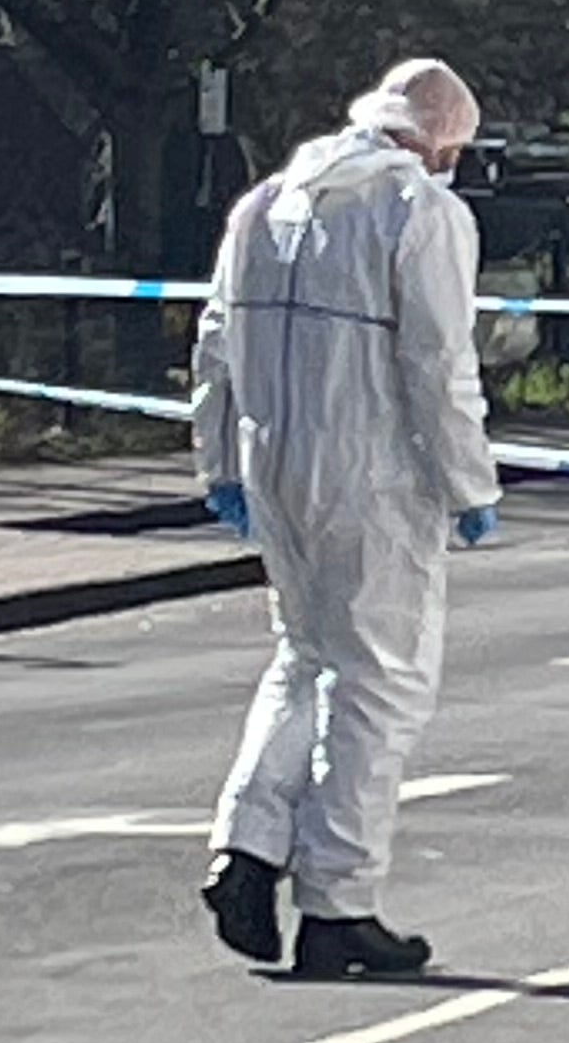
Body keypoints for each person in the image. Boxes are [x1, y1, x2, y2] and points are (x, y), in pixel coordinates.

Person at [193, 58, 504, 980]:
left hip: (273, 460)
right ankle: (340, 903)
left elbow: (214, 341)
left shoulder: (265, 205)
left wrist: (220, 463)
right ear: (444, 138)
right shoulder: (420, 211)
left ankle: (245, 851)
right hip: (373, 474)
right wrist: (469, 484)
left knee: (302, 659)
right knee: (379, 686)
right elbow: (438, 363)